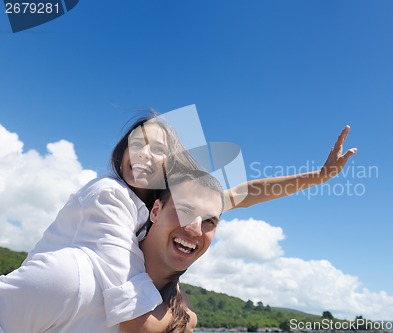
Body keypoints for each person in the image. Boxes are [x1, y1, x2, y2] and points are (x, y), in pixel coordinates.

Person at [0, 112, 357, 332]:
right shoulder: (109, 196)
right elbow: (136, 320)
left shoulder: (166, 204)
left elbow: (242, 193)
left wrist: (317, 177)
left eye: (158, 149)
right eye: (136, 144)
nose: (144, 153)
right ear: (122, 152)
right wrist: (183, 314)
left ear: (169, 166)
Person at [0, 169, 224, 333]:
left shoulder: (174, 309)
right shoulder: (72, 279)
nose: (195, 229)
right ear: (155, 211)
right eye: (184, 210)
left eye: (209, 221)